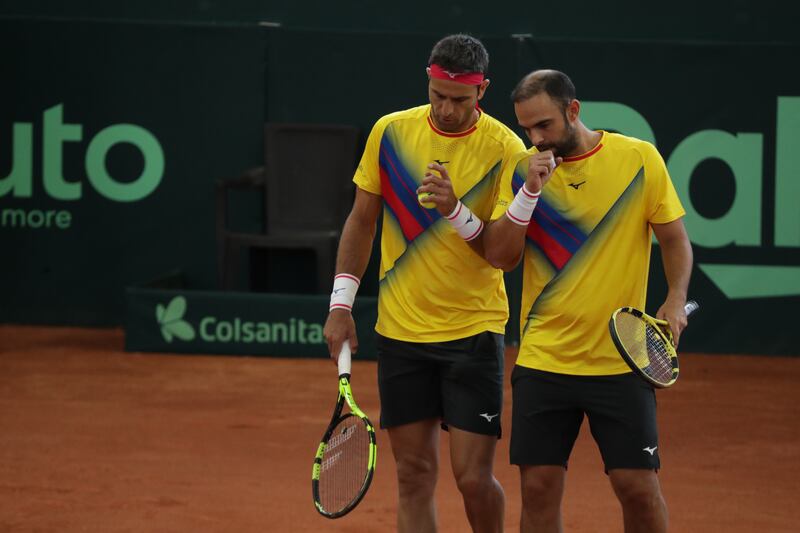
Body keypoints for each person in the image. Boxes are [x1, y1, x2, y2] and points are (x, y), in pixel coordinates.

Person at [323, 34, 525, 533]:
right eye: (438, 96)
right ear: (428, 83)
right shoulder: (390, 132)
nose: (447, 109)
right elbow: (361, 221)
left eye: (460, 99)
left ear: (482, 91)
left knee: (473, 479)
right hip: (401, 332)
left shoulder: (506, 149)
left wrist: (454, 209)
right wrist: (340, 304)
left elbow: (502, 254)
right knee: (413, 475)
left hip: (473, 331)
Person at [483, 69, 693, 532]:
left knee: (638, 489)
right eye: (527, 129)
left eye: (544, 125)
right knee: (538, 490)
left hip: (619, 359)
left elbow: (674, 239)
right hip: (544, 359)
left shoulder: (638, 159)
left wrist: (676, 298)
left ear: (573, 110)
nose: (536, 139)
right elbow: (500, 257)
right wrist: (529, 192)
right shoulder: (521, 170)